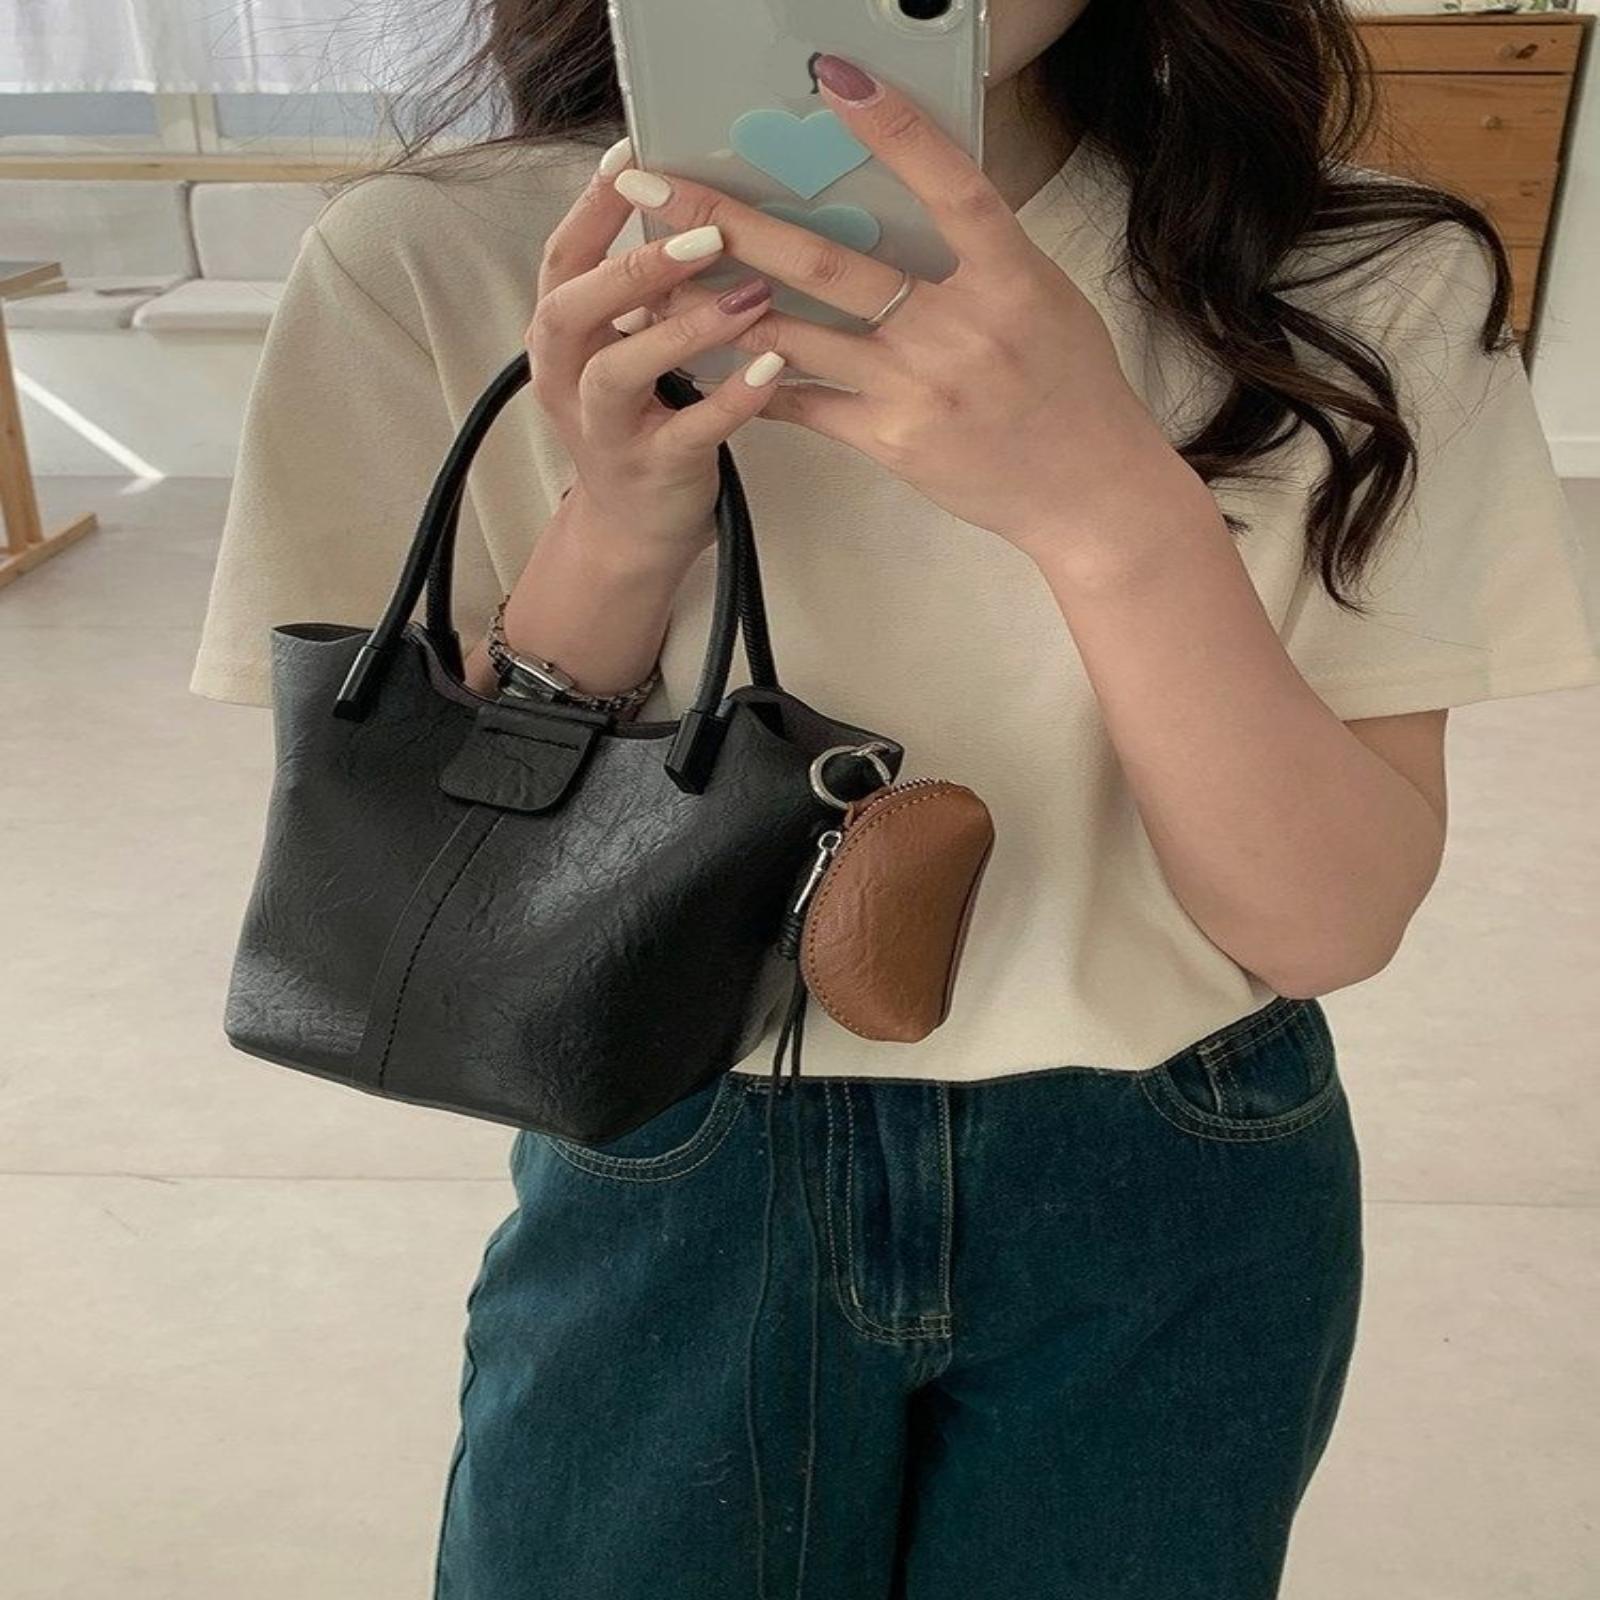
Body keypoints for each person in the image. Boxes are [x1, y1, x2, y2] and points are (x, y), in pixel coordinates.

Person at [189, 2, 1600, 1596]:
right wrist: (620, 523)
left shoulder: (1359, 277)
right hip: (667, 1126)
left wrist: (1108, 506)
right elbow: (428, 850)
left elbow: (1324, 927)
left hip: (1171, 1163)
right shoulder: (433, 260)